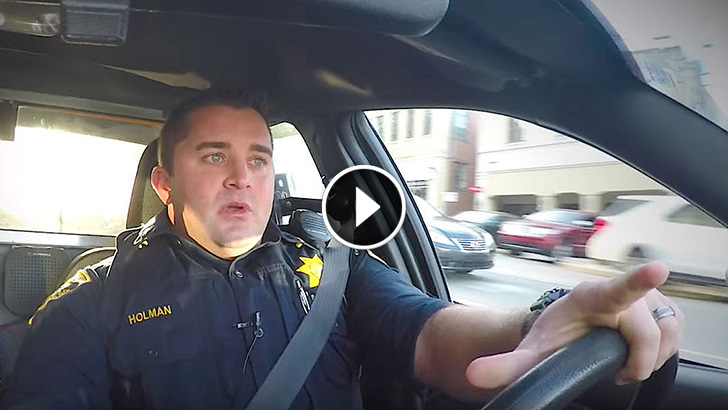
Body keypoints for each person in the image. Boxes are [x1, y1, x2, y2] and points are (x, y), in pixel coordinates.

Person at [0, 89, 683, 409]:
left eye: (258, 159)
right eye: (213, 156)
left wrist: (537, 326)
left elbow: (433, 333)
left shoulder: (332, 266)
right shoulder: (93, 300)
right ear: (164, 183)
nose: (242, 177)